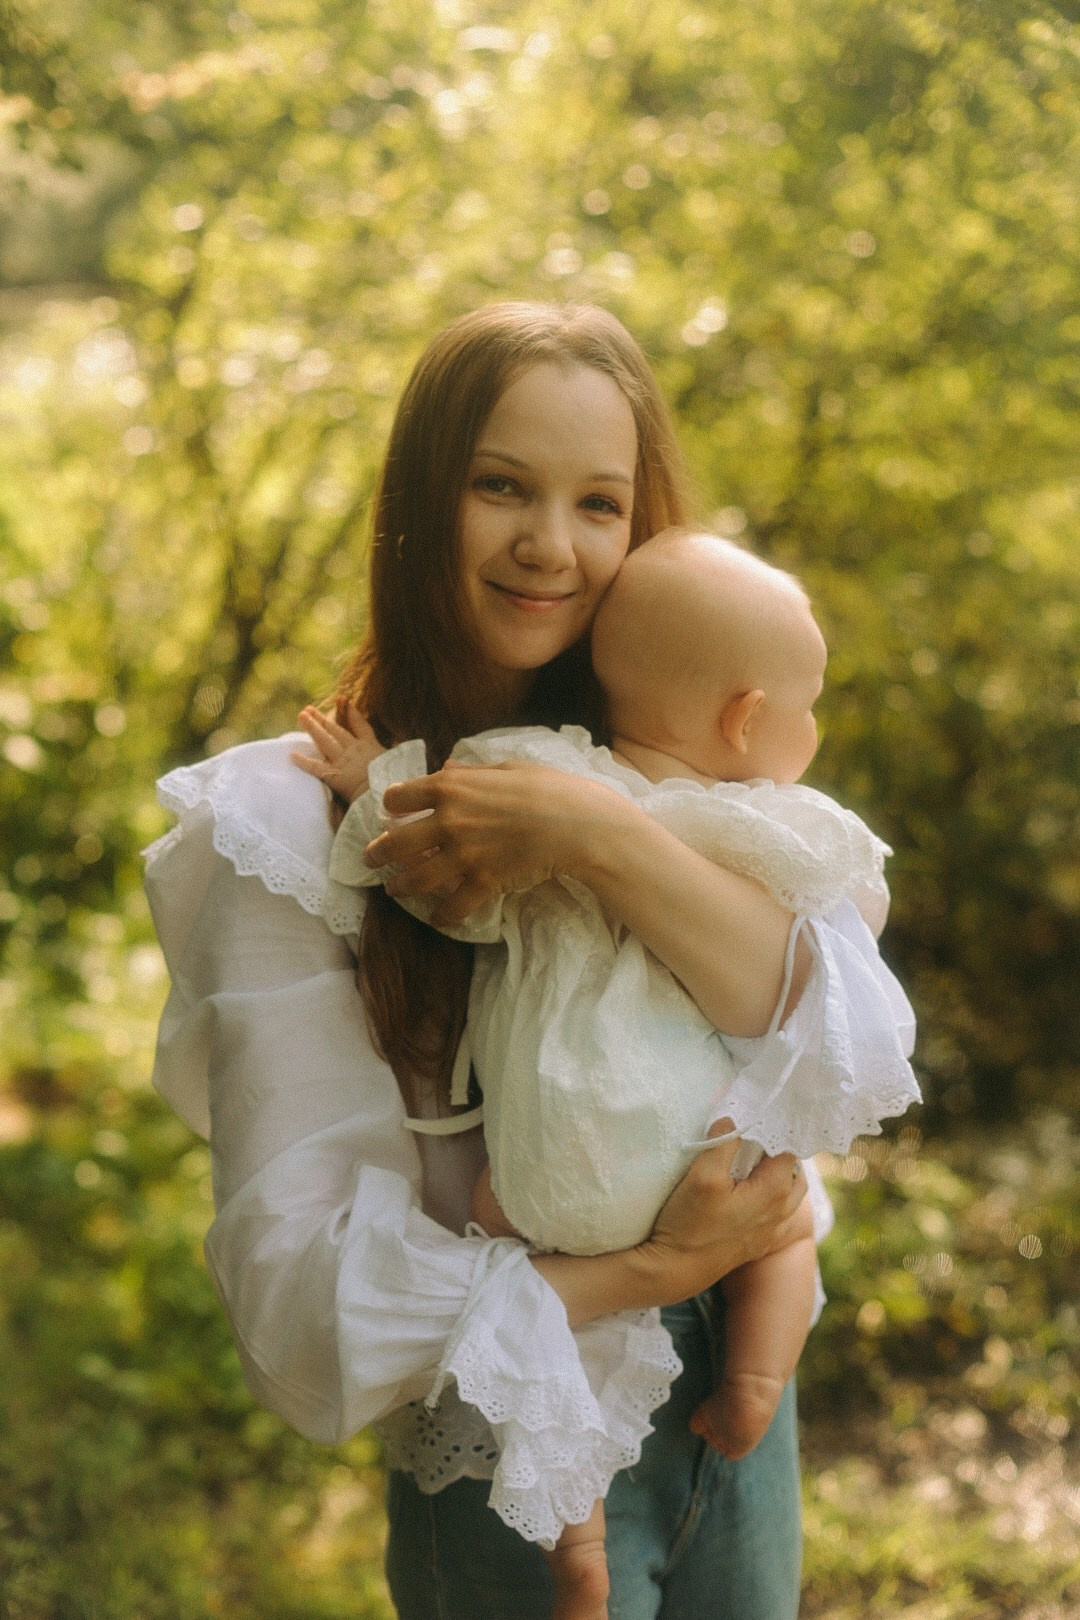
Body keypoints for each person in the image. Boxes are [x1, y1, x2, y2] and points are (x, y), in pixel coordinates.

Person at [145, 301, 865, 1620]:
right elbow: (304, 1304)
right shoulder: (287, 825)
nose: (551, 544)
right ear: (426, 499)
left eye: (601, 503)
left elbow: (837, 1034)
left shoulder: (688, 779)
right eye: (500, 487)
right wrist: (652, 1270)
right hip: (504, 1423)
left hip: (739, 1404)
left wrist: (595, 835)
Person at [299, 527, 919, 1618]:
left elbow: (419, 849)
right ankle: (754, 1385)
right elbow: (842, 927)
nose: (813, 730)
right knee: (782, 1220)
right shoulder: (766, 826)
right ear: (742, 720)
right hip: (694, 1169)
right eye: (807, 704)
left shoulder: (533, 773)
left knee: (536, 1297)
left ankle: (576, 1546)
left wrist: (366, 783)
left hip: (540, 1181)